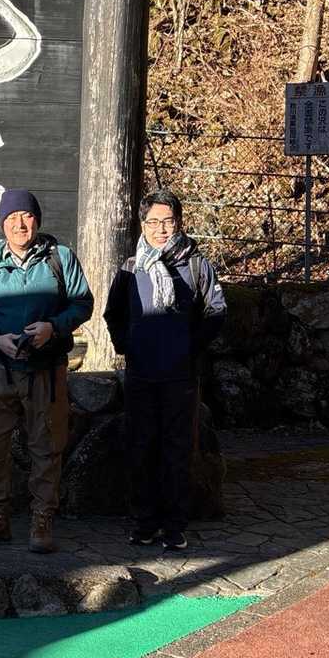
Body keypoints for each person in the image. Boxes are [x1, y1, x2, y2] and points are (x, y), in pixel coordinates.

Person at [0, 188, 93, 553]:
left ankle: (42, 520)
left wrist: (53, 327)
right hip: (1, 369)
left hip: (46, 371)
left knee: (46, 448)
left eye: (26, 216)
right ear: (2, 223)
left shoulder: (59, 258)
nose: (19, 224)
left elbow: (82, 303)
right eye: (11, 218)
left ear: (37, 219)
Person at [103, 188, 226, 551]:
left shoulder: (196, 265)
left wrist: (189, 346)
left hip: (180, 375)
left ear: (179, 222)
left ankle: (175, 525)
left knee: (177, 451)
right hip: (141, 372)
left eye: (168, 221)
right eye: (153, 222)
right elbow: (113, 314)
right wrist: (128, 345)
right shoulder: (131, 268)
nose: (161, 229)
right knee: (141, 448)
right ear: (142, 225)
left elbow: (216, 311)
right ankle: (144, 522)